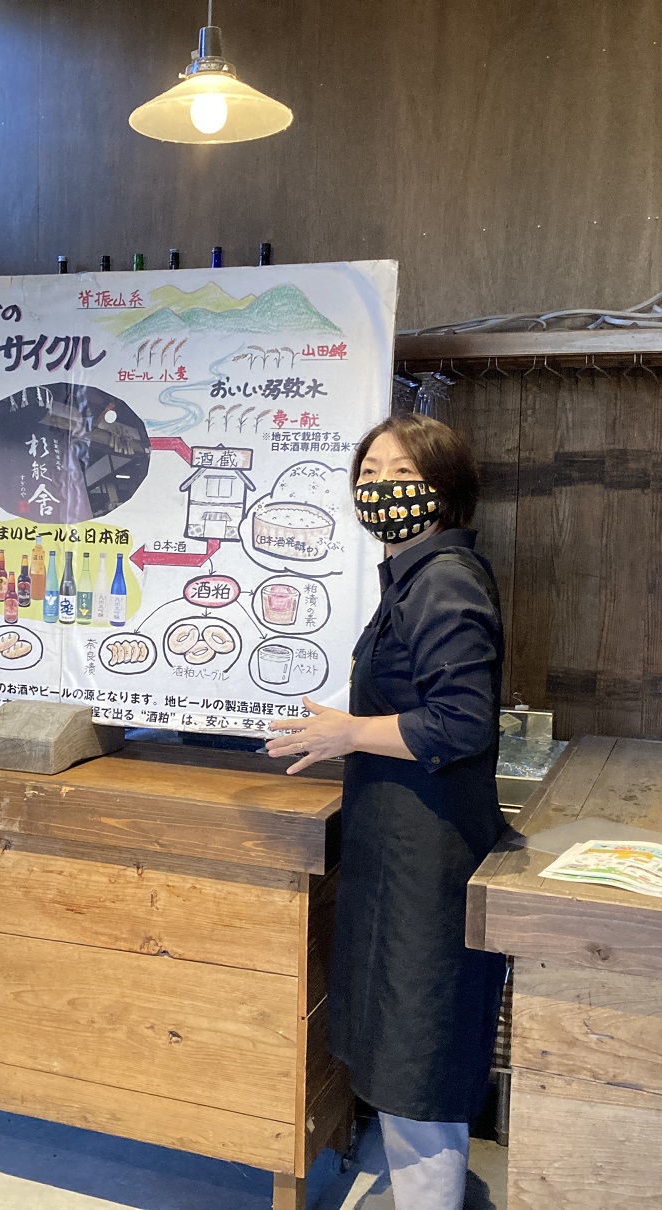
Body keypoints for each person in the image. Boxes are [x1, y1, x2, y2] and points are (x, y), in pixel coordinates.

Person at [266, 412, 506, 1210]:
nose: (381, 486)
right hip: (403, 842)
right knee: (404, 1027)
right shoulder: (411, 575)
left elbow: (461, 723)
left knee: (419, 1039)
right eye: (368, 473)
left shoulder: (442, 579)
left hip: (429, 852)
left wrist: (347, 732)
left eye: (402, 472)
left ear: (445, 488)